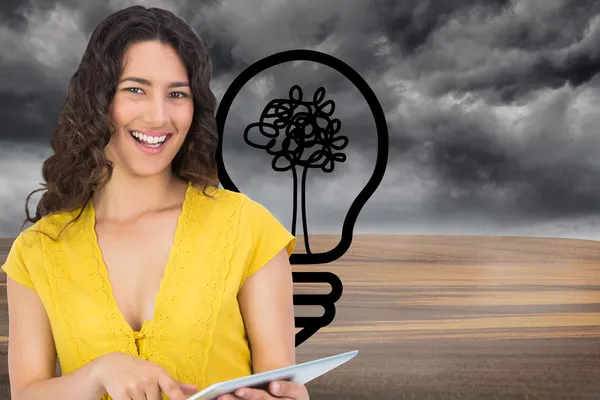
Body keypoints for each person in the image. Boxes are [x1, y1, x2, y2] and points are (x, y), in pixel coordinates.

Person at [1, 5, 309, 400]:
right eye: (135, 89)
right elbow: (26, 394)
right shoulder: (36, 252)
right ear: (98, 99)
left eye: (177, 94)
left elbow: (281, 384)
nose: (159, 116)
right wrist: (99, 373)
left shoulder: (247, 228)